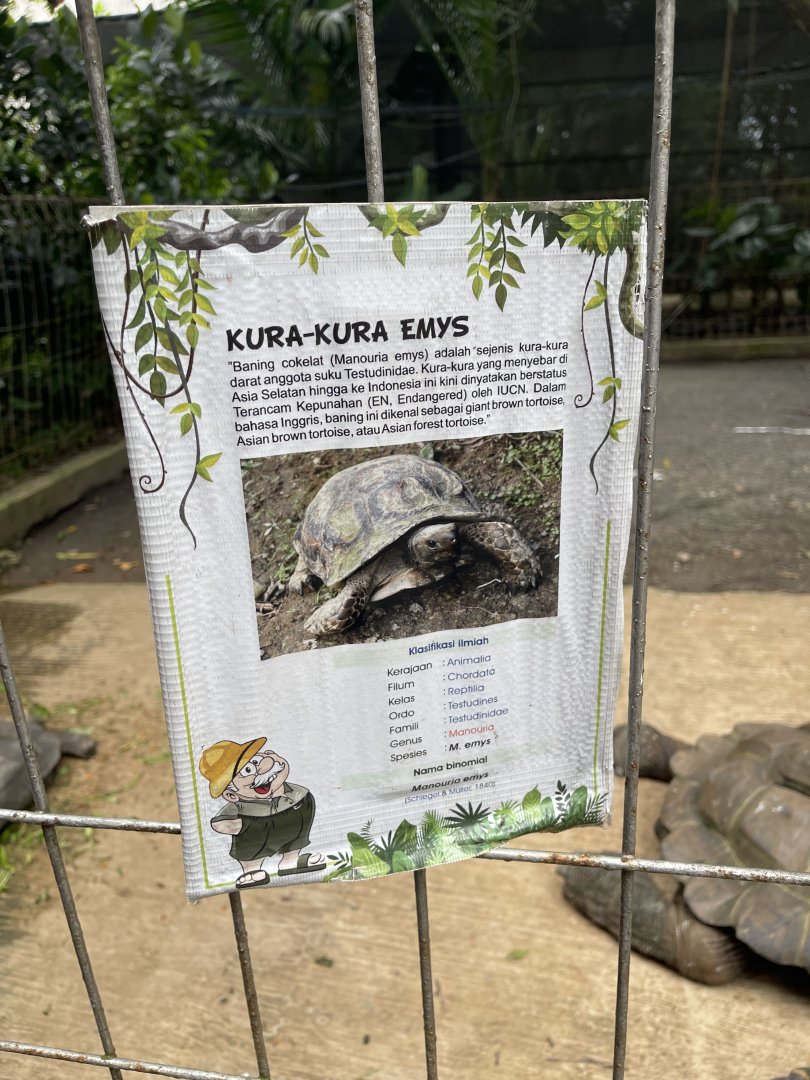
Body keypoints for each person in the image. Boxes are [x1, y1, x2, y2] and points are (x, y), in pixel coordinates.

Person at [199, 737, 325, 889]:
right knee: (251, 838)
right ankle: (251, 870)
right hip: (257, 825)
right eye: (247, 770)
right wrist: (237, 824)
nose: (262, 770)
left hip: (291, 812)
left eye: (257, 761)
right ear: (231, 795)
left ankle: (290, 859)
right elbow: (221, 822)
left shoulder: (296, 793)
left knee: (303, 806)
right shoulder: (241, 805)